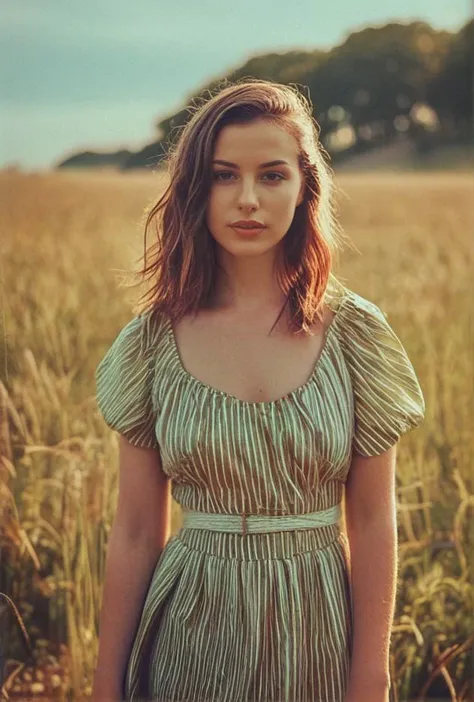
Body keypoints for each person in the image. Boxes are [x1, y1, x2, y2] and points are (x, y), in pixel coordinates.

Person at [91, 79, 425, 702]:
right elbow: (137, 530)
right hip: (190, 631)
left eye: (272, 175)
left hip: (316, 628)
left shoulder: (356, 334)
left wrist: (370, 678)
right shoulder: (150, 342)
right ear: (196, 189)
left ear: (304, 188)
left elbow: (376, 519)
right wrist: (107, 686)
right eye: (223, 175)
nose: (248, 199)